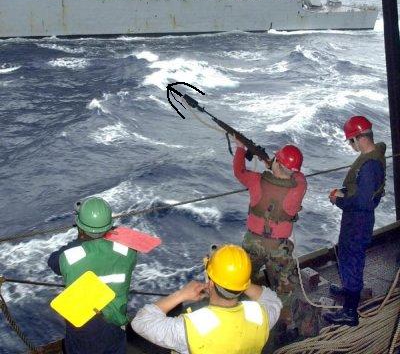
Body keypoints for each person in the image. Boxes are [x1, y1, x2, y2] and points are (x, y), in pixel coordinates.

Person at [131, 244, 282, 354]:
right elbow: (273, 300)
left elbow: (141, 322)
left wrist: (181, 294)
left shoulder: (188, 329)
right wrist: (238, 281)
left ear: (210, 283)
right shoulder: (262, 316)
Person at [233, 138, 307, 336]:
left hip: (253, 243)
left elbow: (239, 171)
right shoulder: (299, 186)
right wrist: (276, 165)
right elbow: (297, 175)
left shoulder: (256, 180)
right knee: (284, 287)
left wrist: (240, 149)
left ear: (278, 163)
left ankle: (237, 315)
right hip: (279, 247)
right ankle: (285, 324)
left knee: (243, 279)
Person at [48, 197, 137, 354]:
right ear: (110, 225)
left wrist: (80, 240)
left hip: (83, 327)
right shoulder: (129, 252)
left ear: (80, 227)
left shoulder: (68, 258)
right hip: (115, 321)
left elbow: (53, 262)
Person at [324, 115, 386, 327]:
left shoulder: (369, 166)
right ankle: (349, 291)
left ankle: (350, 312)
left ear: (359, 138)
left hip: (358, 221)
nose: (351, 145)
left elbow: (362, 203)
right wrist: (343, 192)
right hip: (359, 219)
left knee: (351, 259)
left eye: (351, 141)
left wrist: (338, 200)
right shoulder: (373, 157)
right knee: (348, 256)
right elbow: (364, 192)